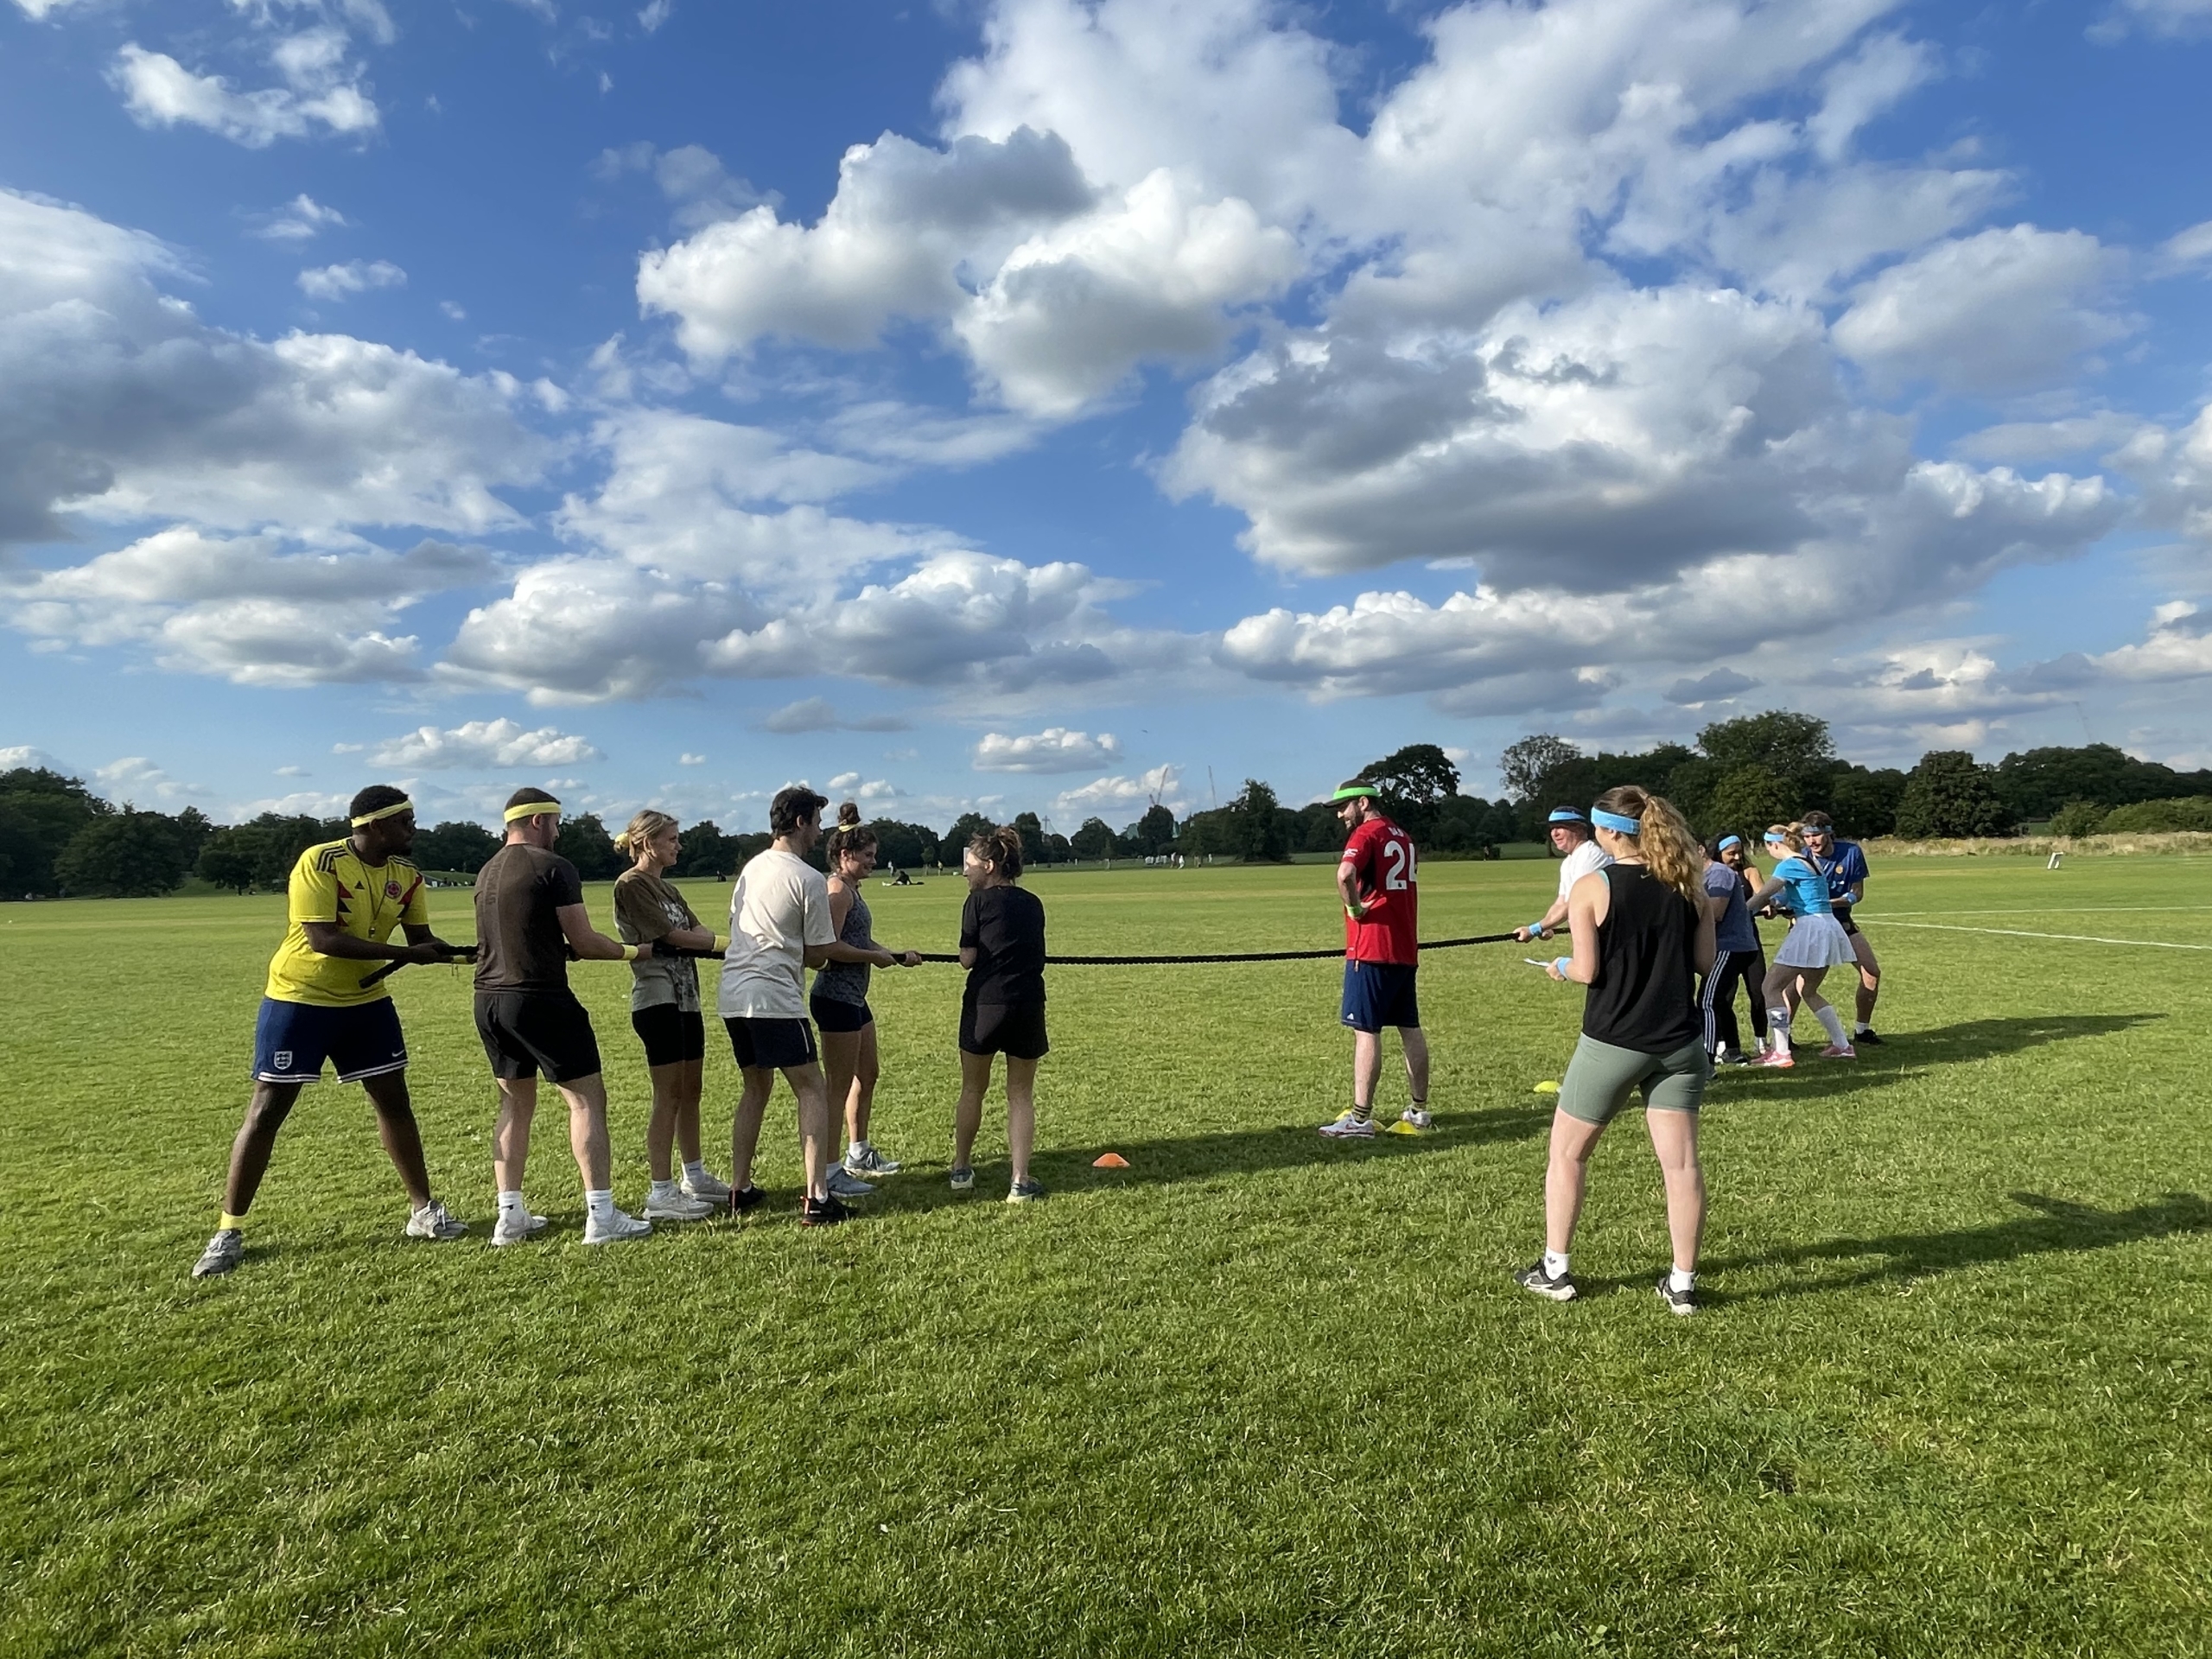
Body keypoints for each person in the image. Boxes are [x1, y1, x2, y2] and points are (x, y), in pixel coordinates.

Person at [191, 786, 469, 1278]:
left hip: (365, 1002)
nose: (414, 828)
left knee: (394, 1102)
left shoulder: (407, 875)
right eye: (405, 821)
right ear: (374, 826)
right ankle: (227, 1232)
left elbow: (422, 941)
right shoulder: (321, 862)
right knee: (267, 1111)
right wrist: (406, 956)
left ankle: (423, 1212)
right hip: (300, 998)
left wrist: (472, 953)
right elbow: (323, 939)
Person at [1516, 787, 1718, 1314]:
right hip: (1680, 1043)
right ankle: (1683, 1283)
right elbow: (1704, 962)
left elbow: (1588, 971)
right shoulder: (1688, 883)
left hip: (1613, 1041)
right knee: (1682, 1167)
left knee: (1567, 1153)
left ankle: (1555, 1270)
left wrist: (1559, 967)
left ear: (1606, 832)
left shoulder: (1592, 885)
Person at [474, 787, 654, 1246]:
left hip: (489, 1000)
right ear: (537, 821)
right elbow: (587, 940)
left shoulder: (487, 871)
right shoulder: (553, 867)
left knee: (514, 1104)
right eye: (556, 822)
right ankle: (602, 1215)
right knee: (586, 1101)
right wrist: (635, 950)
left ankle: (509, 1216)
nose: (559, 830)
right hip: (540, 997)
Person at [720, 786, 846, 1226]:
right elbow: (818, 953)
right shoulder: (808, 878)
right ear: (800, 822)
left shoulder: (750, 869)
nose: (820, 830)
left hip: (733, 995)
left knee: (755, 1087)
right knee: (811, 1087)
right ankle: (816, 1197)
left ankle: (739, 1188)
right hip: (774, 997)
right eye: (817, 821)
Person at [611, 810, 734, 1224]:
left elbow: (696, 931)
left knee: (691, 1090)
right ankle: (661, 1192)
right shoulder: (630, 885)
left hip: (687, 999)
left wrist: (718, 942)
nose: (678, 846)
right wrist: (731, 946)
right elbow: (674, 937)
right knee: (668, 1095)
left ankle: (694, 1177)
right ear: (647, 843)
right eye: (671, 840)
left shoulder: (669, 888)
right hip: (657, 999)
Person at [815, 804, 924, 1182]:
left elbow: (858, 939)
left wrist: (889, 953)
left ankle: (858, 1152)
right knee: (838, 1084)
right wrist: (873, 958)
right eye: (867, 856)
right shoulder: (836, 892)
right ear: (845, 856)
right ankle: (829, 1170)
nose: (873, 863)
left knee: (869, 1073)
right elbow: (829, 947)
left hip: (854, 997)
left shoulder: (852, 890)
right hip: (835, 997)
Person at [1319, 779, 1430, 1138]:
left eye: (1343, 807)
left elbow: (1345, 874)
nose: (1339, 815)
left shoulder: (1366, 834)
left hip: (1370, 947)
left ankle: (1361, 1118)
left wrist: (1353, 907)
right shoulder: (1404, 836)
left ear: (1363, 803)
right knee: (1409, 1029)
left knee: (1366, 1031)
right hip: (1403, 946)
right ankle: (1418, 1111)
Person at [951, 824, 1048, 1201]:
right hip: (1027, 1004)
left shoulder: (976, 903)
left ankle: (961, 1168)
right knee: (1020, 1094)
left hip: (985, 1005)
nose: (965, 871)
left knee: (973, 1088)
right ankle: (1020, 1181)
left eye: (970, 864)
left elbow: (966, 959)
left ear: (989, 866)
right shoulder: (1033, 902)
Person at [1743, 823, 1859, 1067]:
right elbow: (1794, 895)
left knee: (1771, 987)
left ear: (1774, 845)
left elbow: (1763, 893)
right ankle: (1842, 1045)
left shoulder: (1788, 864)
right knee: (1808, 990)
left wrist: (1741, 912)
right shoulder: (1809, 862)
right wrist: (1777, 904)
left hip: (1810, 928)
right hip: (1827, 926)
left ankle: (1781, 1053)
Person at [1802, 810, 1883, 1046]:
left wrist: (1837, 902)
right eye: (1806, 837)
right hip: (1813, 924)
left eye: (1815, 836)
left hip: (1841, 921)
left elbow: (1857, 893)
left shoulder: (1851, 853)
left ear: (1828, 834)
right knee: (1798, 984)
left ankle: (1862, 1030)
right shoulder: (1802, 858)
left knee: (1871, 973)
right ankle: (1785, 1040)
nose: (1811, 842)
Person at [1698, 835, 1767, 1065]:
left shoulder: (1718, 873)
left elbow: (1716, 914)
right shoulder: (1705, 874)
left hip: (1731, 946)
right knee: (1718, 1000)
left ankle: (1706, 1060)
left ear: (1699, 850)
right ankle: (1733, 1050)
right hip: (1727, 946)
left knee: (1707, 1001)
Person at [1514, 807, 1613, 945]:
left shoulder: (1589, 856)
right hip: (1591, 933)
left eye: (1560, 827)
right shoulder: (1568, 862)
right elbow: (1561, 902)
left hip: (1608, 936)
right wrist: (1548, 925)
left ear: (1579, 829)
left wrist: (1535, 929)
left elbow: (1574, 903)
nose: (1554, 833)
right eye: (1552, 828)